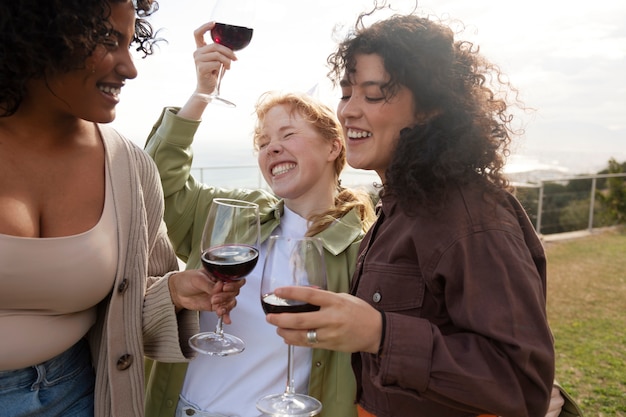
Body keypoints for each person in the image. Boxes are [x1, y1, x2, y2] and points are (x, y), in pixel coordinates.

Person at [264, 8, 557, 417]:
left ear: (429, 110)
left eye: (372, 94)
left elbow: (521, 384)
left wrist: (380, 334)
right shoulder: (397, 206)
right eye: (347, 92)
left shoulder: (470, 215)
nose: (347, 110)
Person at [0, 2, 241, 417]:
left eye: (131, 44)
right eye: (108, 41)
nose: (130, 68)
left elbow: (128, 313)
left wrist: (174, 291)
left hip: (78, 397)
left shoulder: (130, 169)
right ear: (39, 36)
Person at [143, 21, 376, 417]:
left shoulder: (364, 247)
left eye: (287, 135)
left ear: (334, 146)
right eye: (264, 142)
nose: (272, 149)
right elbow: (153, 188)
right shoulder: (234, 214)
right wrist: (201, 95)